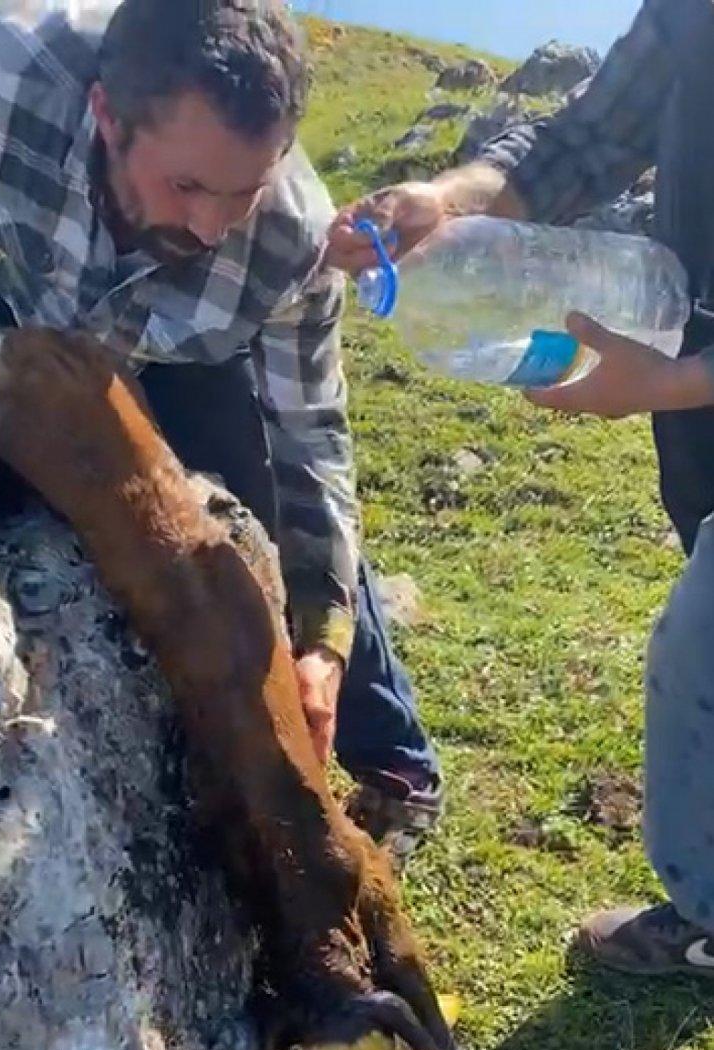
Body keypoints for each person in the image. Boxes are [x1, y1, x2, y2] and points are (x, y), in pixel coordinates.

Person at [0, 0, 441, 859]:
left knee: (265, 525)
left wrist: (323, 647)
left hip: (193, 360)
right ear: (105, 114)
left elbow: (309, 439)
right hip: (25, 301)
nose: (211, 226)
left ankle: (394, 763)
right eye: (188, 186)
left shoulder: (291, 244)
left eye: (244, 190)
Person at [327, 0, 714, 973]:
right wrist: (449, 198)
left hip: (686, 374)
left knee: (700, 650)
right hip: (690, 387)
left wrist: (676, 380)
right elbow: (582, 139)